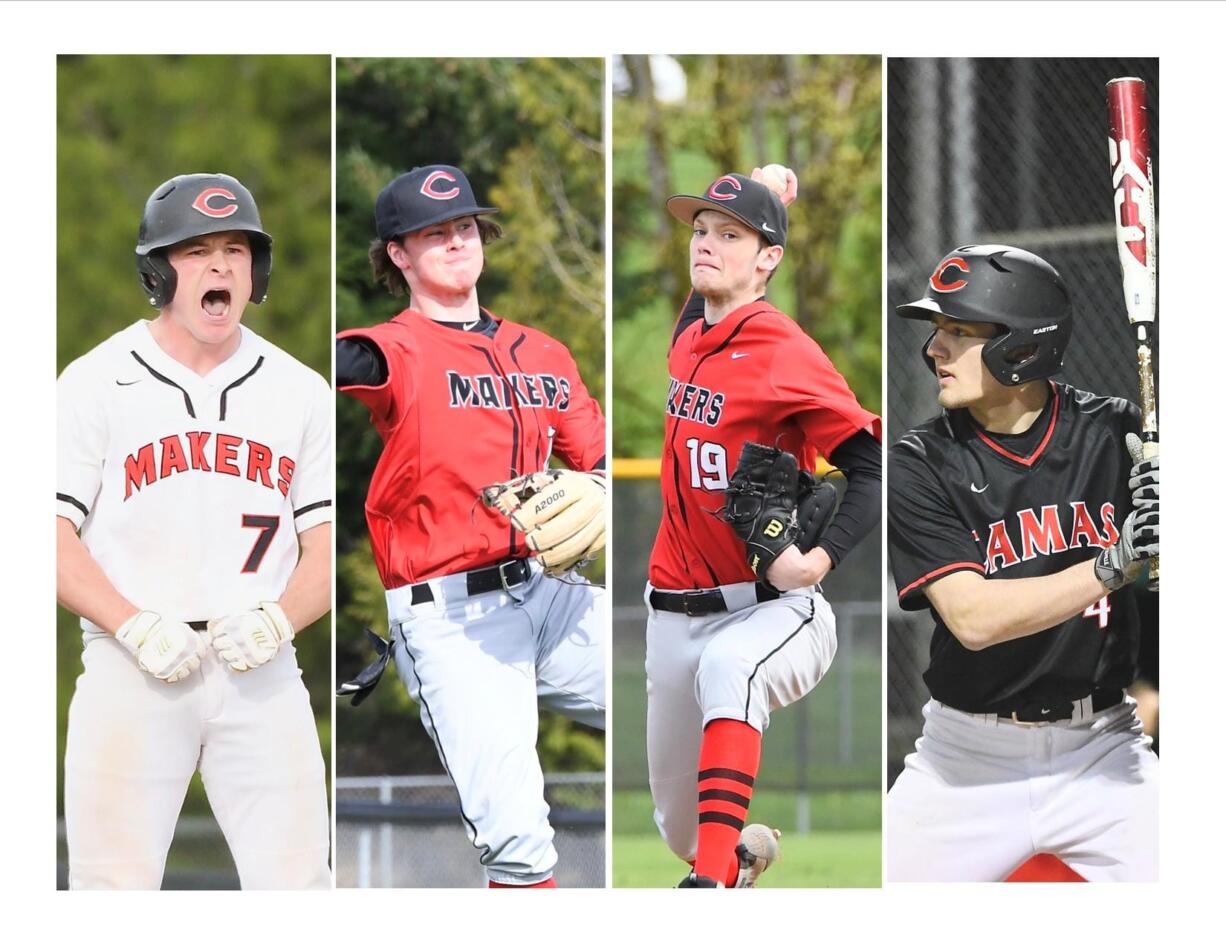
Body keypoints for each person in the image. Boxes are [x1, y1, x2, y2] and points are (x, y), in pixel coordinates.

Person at [56, 173, 332, 889]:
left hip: (261, 667)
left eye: (236, 250)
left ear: (256, 270)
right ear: (158, 270)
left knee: (300, 892)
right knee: (110, 898)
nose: (219, 266)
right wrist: (133, 625)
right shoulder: (93, 382)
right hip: (132, 666)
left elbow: (329, 552)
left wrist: (279, 619)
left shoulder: (300, 388)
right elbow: (43, 539)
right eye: (196, 249)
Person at [336, 165, 606, 888]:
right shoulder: (394, 350)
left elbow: (597, 455)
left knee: (682, 673)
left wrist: (603, 488)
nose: (456, 240)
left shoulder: (543, 352)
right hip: (456, 622)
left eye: (463, 226)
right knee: (520, 843)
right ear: (398, 253)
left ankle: (715, 863)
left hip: (550, 593)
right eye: (432, 233)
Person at [886, 244, 1159, 882]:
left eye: (959, 331)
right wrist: (1115, 562)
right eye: (937, 330)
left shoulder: (1121, 437)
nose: (935, 348)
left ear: (1023, 346)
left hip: (1104, 751)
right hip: (964, 762)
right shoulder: (920, 462)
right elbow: (974, 619)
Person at [645, 170, 882, 888]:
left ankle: (709, 885)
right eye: (701, 231)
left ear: (769, 257)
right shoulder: (692, 338)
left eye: (731, 234)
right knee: (678, 828)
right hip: (669, 610)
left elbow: (871, 463)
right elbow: (700, 306)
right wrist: (759, 187)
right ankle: (733, 857)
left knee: (731, 670)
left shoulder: (785, 350)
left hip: (772, 608)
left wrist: (819, 560)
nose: (707, 246)